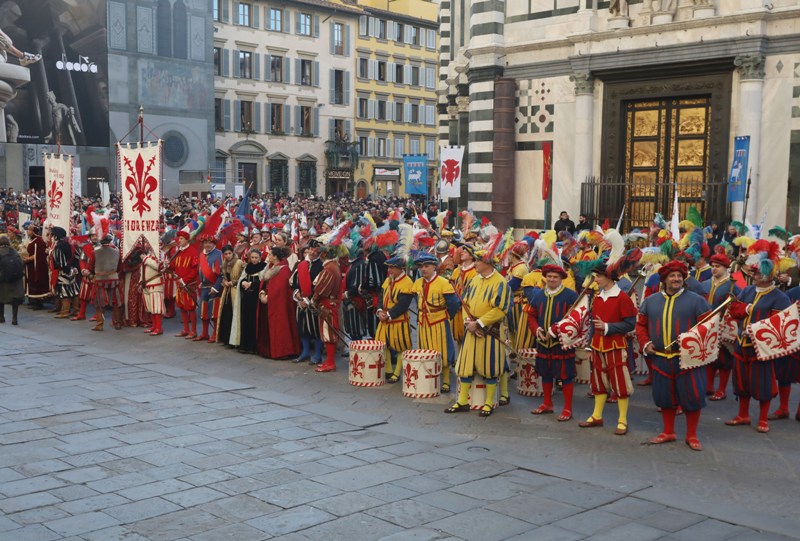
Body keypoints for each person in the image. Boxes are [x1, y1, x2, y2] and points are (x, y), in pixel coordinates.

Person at [637, 260, 712, 450]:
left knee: (692, 397)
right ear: (664, 279)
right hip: (661, 358)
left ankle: (691, 435)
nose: (677, 279)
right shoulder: (650, 301)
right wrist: (646, 343)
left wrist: (692, 340)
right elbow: (641, 325)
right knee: (664, 398)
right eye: (672, 276)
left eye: (679, 276)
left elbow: (708, 327)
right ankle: (668, 432)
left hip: (688, 359)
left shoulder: (697, 300)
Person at [726, 240, 791, 433]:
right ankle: (743, 415)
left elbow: (777, 324)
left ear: (768, 276)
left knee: (762, 383)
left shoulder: (780, 297)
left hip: (762, 348)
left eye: (757, 273)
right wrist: (746, 308)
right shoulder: (746, 290)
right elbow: (734, 309)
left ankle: (763, 419)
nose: (753, 275)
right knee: (741, 381)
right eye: (753, 272)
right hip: (741, 344)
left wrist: (755, 329)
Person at [445, 246, 512, 417]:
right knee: (465, 365)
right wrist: (468, 322)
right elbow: (465, 303)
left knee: (490, 367)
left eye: (477, 261)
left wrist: (480, 323)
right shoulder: (474, 280)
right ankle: (462, 401)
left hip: (490, 331)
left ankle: (488, 403)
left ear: (487, 263)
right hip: (472, 329)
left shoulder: (501, 283)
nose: (474, 263)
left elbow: (501, 309)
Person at [579, 262, 637, 435]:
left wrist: (607, 327)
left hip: (615, 346)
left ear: (608, 277)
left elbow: (630, 324)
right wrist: (589, 347)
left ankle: (622, 420)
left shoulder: (623, 298)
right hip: (597, 346)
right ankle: (597, 415)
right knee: (598, 382)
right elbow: (592, 324)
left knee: (620, 382)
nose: (595, 280)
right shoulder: (597, 297)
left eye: (598, 276)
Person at [528, 264, 579, 421]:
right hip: (543, 342)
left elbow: (574, 320)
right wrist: (537, 330)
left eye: (555, 277)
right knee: (546, 374)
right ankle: (547, 403)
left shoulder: (570, 296)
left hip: (561, 343)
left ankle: (567, 408)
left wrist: (555, 331)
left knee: (565, 376)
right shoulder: (538, 295)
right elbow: (531, 316)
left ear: (561, 279)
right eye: (549, 276)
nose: (551, 279)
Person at [412, 253, 461, 393]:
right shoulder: (418, 283)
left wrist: (445, 317)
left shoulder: (444, 283)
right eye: (422, 266)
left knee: (442, 350)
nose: (423, 269)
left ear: (434, 267)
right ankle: (428, 376)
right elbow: (417, 301)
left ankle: (446, 381)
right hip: (423, 321)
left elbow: (453, 304)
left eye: (427, 266)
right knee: (425, 349)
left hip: (439, 321)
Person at [702, 253, 740, 401]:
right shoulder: (705, 284)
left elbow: (741, 303)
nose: (714, 269)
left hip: (724, 326)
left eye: (717, 266)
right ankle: (709, 386)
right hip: (707, 324)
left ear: (725, 268)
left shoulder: (734, 285)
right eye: (712, 266)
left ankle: (722, 389)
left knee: (724, 360)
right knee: (710, 357)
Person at [376, 254, 415, 383]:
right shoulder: (389, 279)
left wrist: (388, 315)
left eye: (392, 267)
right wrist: (380, 310)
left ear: (399, 268)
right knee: (383, 344)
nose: (389, 270)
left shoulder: (408, 282)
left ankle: (397, 372)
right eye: (389, 267)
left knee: (400, 347)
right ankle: (388, 370)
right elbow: (381, 296)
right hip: (384, 318)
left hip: (398, 320)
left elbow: (403, 304)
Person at [258, 246, 299, 359]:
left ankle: (282, 351)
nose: (268, 256)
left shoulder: (284, 269)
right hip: (267, 300)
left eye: (270, 255)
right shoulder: (270, 267)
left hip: (278, 304)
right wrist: (262, 293)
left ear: (275, 257)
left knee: (280, 327)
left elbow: (279, 289)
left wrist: (268, 297)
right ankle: (269, 350)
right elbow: (265, 283)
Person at [311, 245, 342, 372]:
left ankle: (330, 362)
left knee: (328, 333)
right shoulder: (333, 266)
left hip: (327, 304)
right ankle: (329, 361)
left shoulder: (329, 269)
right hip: (331, 303)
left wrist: (314, 298)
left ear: (324, 255)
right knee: (329, 333)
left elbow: (321, 289)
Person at [291, 240, 324, 364]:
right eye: (310, 249)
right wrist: (297, 295)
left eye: (315, 250)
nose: (312, 252)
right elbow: (293, 282)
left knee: (315, 329)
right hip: (301, 302)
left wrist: (307, 300)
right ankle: (304, 353)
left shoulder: (322, 266)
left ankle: (317, 354)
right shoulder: (302, 265)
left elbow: (320, 286)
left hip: (314, 303)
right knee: (302, 328)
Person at [233, 249, 267, 354]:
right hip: (247, 298)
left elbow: (264, 283)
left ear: (260, 258)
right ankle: (244, 345)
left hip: (256, 299)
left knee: (254, 322)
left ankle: (253, 346)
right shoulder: (248, 267)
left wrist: (252, 284)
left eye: (256, 257)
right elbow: (242, 279)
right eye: (252, 257)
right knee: (245, 320)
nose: (254, 260)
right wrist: (243, 283)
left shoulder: (264, 267)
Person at [170, 231, 199, 339]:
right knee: (182, 307)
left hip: (188, 284)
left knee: (190, 307)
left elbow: (195, 270)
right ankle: (185, 329)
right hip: (179, 284)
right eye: (179, 238)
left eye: (181, 238)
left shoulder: (193, 252)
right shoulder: (178, 252)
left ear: (187, 240)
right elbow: (173, 266)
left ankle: (194, 331)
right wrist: (167, 266)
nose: (179, 240)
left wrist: (185, 280)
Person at [92, 234, 123, 331]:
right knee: (116, 301)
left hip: (100, 279)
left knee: (99, 303)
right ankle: (118, 323)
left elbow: (90, 266)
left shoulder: (95, 251)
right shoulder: (117, 251)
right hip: (114, 278)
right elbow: (120, 267)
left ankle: (100, 324)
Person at [215, 245, 243, 346]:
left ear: (233, 252)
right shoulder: (224, 263)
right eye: (225, 254)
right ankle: (226, 339)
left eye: (229, 253)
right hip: (227, 291)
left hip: (235, 291)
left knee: (234, 313)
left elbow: (242, 276)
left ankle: (235, 340)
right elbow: (223, 276)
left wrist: (234, 282)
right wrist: (225, 281)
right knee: (226, 314)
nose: (227, 256)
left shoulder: (239, 262)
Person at [197, 234, 223, 342]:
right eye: (205, 243)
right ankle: (204, 333)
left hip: (214, 286)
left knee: (214, 312)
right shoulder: (201, 255)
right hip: (204, 286)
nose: (207, 245)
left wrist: (216, 287)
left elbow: (222, 274)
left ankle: (215, 333)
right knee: (203, 311)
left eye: (210, 243)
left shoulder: (219, 254)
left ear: (214, 244)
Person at [51, 226, 80, 319]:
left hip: (64, 272)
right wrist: (74, 268)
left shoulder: (59, 247)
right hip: (72, 269)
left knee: (64, 292)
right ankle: (76, 310)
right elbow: (76, 257)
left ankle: (65, 311)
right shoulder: (69, 244)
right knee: (74, 291)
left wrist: (67, 270)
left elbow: (61, 262)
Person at [71, 232, 96, 321]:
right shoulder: (86, 247)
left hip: (97, 275)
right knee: (83, 295)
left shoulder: (102, 247)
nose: (94, 237)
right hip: (86, 273)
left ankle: (98, 315)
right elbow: (82, 260)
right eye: (93, 235)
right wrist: (83, 269)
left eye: (96, 235)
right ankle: (81, 314)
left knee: (96, 296)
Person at [23, 224, 49, 310]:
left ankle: (39, 303)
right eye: (27, 230)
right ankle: (34, 301)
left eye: (29, 230)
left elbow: (39, 255)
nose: (27, 231)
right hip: (30, 266)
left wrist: (29, 258)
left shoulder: (39, 241)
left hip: (37, 266)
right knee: (31, 282)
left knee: (36, 282)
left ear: (34, 232)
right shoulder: (32, 240)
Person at [0, 233, 24, 324]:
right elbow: (21, 263)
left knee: (1, 299)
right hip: (15, 279)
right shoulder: (14, 251)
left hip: (2, 280)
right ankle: (14, 318)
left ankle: (1, 317)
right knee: (15, 300)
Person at [140, 248, 164, 336]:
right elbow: (142, 270)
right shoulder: (149, 255)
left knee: (156, 307)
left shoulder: (159, 254)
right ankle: (154, 326)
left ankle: (159, 327)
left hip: (155, 283)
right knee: (150, 307)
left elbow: (158, 266)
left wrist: (145, 259)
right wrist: (140, 282)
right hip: (146, 284)